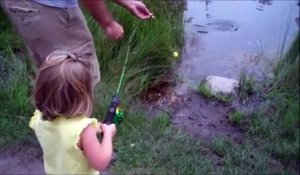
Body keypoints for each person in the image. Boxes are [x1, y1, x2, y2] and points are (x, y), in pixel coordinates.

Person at [0, 0, 153, 86]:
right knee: (77, 78)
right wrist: (108, 24)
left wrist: (125, 2)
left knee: (52, 73)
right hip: (43, 6)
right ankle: (78, 138)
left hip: (26, 5)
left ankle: (53, 130)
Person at [29, 50, 116, 174]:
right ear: (83, 95)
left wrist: (95, 128)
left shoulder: (39, 118)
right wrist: (108, 134)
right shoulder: (84, 131)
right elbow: (101, 163)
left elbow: (61, 134)